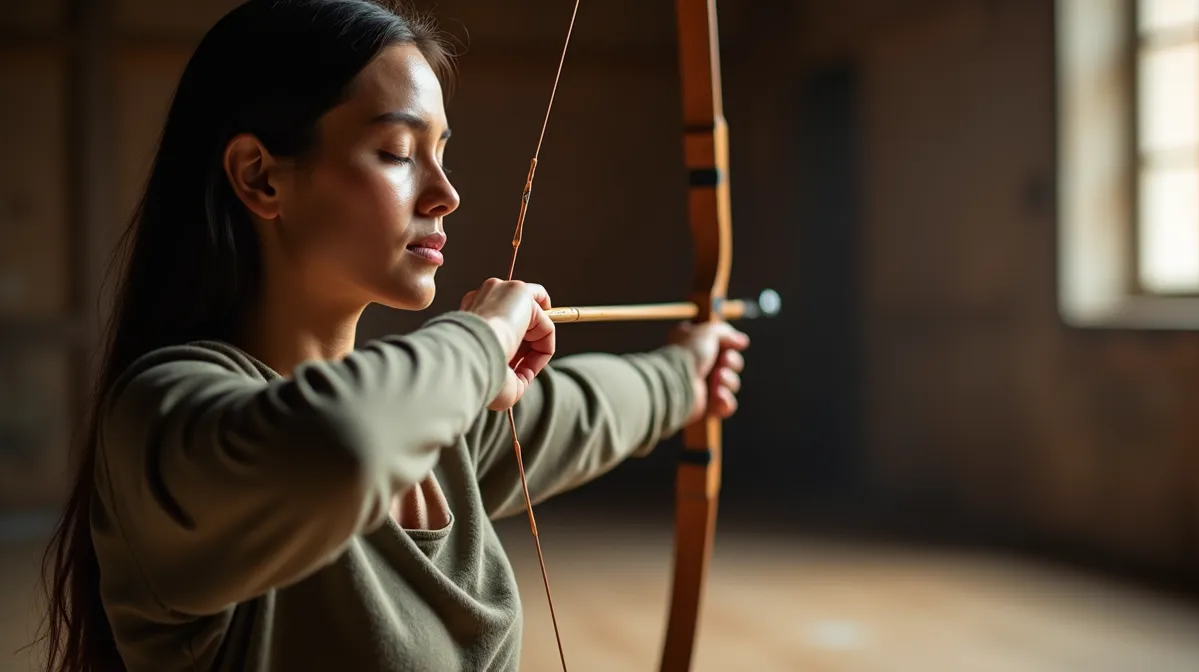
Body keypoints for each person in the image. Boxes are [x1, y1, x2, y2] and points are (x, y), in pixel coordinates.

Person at [34, 1, 751, 670]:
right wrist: (481, 336)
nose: (446, 193)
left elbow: (582, 410)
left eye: (442, 152)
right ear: (260, 178)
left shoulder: (438, 425)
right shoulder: (162, 418)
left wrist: (687, 371)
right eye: (400, 152)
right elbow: (343, 446)